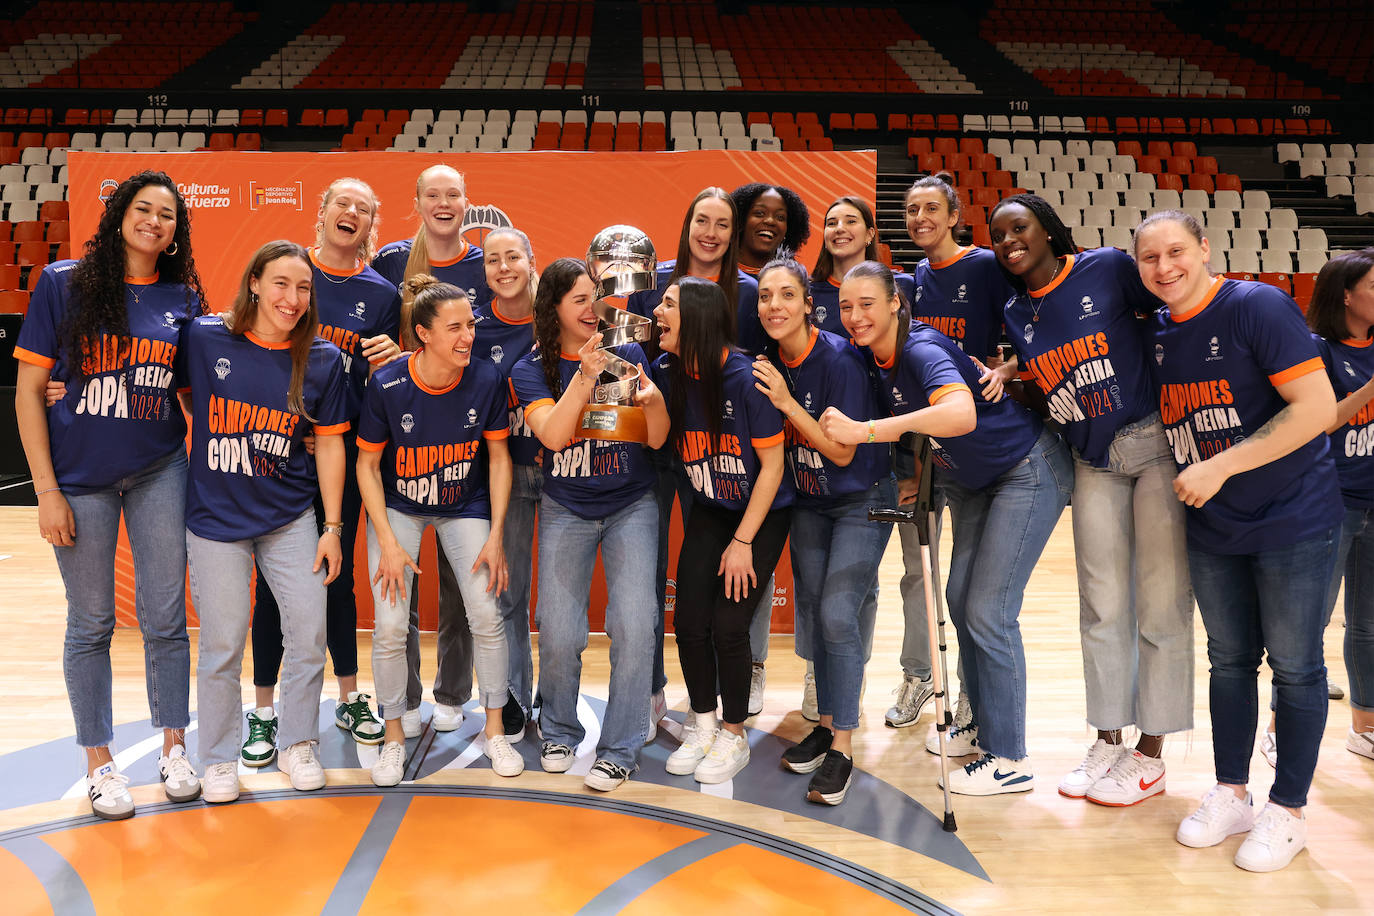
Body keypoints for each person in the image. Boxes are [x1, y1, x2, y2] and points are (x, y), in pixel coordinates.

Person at [1135, 211, 1342, 872]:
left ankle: (1289, 809)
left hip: (1293, 518)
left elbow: (1316, 408)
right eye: (1149, 259)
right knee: (1228, 660)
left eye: (1176, 252)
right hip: (1215, 525)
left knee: (1296, 665)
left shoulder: (1257, 305)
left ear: (1204, 248)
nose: (1164, 268)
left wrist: (1222, 465)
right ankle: (1231, 793)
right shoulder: (1161, 330)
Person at [820, 261, 1073, 796]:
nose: (855, 316)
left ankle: (1010, 758)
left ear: (895, 302)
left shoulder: (919, 348)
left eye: (867, 303)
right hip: (976, 480)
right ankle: (981, 724)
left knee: (989, 610)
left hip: (1026, 471)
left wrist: (868, 431)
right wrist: (912, 474)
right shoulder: (874, 356)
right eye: (845, 305)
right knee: (961, 599)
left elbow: (960, 416)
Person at [988, 193, 1193, 807]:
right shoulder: (1014, 310)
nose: (1009, 242)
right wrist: (1012, 380)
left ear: (1048, 229)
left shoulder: (1105, 267)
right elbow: (1054, 381)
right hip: (1091, 459)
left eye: (1018, 228)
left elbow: (1168, 319)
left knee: (1160, 604)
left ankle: (1150, 753)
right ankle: (1108, 738)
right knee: (1101, 604)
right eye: (998, 236)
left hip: (1153, 443)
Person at [14, 170, 206, 819]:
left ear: (178, 231)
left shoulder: (182, 295)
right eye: (145, 209)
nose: (156, 221)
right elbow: (27, 390)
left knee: (165, 619)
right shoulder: (63, 283)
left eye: (169, 215)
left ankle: (174, 747)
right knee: (92, 623)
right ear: (120, 213)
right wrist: (45, 491)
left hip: (159, 466)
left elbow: (189, 387)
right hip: (79, 479)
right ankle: (99, 761)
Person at [182, 240, 350, 804]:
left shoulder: (322, 359)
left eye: (303, 288)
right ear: (254, 282)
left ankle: (298, 742)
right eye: (281, 283)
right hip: (215, 520)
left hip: (288, 517)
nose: (293, 298)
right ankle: (219, 759)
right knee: (223, 644)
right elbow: (179, 393)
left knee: (309, 631)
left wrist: (331, 528)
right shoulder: (206, 338)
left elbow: (329, 448)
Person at [244, 178, 403, 767]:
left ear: (371, 226)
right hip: (278, 455)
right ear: (323, 212)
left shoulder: (382, 294)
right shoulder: (287, 270)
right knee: (272, 586)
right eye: (344, 204)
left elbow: (382, 381)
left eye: (364, 208)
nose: (353, 214)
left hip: (344, 454)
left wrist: (396, 356)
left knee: (337, 574)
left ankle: (347, 694)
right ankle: (263, 711)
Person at [357, 274, 523, 786]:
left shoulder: (485, 380)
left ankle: (494, 729)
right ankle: (392, 738)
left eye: (470, 325)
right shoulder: (387, 383)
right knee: (388, 624)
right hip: (400, 506)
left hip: (465, 505)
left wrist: (495, 533)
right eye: (454, 328)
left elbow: (498, 457)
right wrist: (385, 538)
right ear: (423, 334)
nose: (468, 337)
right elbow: (366, 466)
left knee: (486, 614)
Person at [511, 258, 669, 791]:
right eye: (579, 299)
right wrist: (583, 373)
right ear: (553, 308)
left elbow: (655, 437)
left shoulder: (627, 354)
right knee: (558, 627)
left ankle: (620, 749)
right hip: (566, 506)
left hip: (631, 503)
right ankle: (557, 729)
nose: (591, 309)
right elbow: (553, 437)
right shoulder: (530, 368)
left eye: (594, 298)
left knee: (633, 621)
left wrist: (653, 402)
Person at [750, 257, 893, 804]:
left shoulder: (838, 360)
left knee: (837, 612)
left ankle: (844, 748)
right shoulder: (767, 360)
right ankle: (829, 723)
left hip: (860, 497)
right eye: (765, 296)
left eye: (787, 295)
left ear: (810, 304)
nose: (774, 306)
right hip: (810, 499)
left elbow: (840, 448)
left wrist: (787, 404)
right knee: (813, 613)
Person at [626, 188, 769, 730]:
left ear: (734, 235)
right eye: (701, 221)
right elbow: (641, 350)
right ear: (686, 225)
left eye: (723, 224)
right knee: (656, 570)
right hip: (661, 443)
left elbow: (752, 368)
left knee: (731, 570)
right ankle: (655, 687)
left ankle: (742, 671)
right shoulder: (654, 279)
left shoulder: (748, 291)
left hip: (720, 455)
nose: (710, 233)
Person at [653, 277, 791, 785]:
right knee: (689, 621)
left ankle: (734, 734)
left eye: (669, 305)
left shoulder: (746, 377)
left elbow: (773, 467)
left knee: (730, 626)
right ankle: (704, 724)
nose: (658, 312)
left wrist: (743, 543)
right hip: (712, 505)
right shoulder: (669, 370)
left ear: (699, 320)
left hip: (761, 512)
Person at [883, 174, 1008, 731]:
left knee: (968, 581)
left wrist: (1007, 368)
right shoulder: (911, 282)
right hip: (923, 446)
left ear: (956, 214)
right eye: (911, 210)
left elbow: (1031, 323)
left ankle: (972, 696)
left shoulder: (983, 267)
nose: (920, 218)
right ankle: (921, 676)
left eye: (932, 208)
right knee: (918, 570)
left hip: (979, 442)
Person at [373, 164, 492, 736]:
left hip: (465, 437)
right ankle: (407, 701)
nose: (443, 203)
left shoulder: (484, 263)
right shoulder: (393, 262)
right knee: (398, 594)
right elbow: (372, 333)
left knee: (461, 588)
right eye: (432, 194)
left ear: (467, 202)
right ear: (416, 201)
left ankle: (452, 691)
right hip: (404, 437)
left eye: (453, 194)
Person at [1253, 249, 1374, 768]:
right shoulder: (1316, 350)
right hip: (1328, 502)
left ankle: (1364, 727)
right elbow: (1321, 421)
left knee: (1369, 625)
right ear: (1346, 295)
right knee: (1307, 624)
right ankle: (1280, 729)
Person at [474, 226, 541, 741]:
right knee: (509, 594)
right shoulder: (474, 331)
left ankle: (557, 698)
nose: (503, 267)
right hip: (507, 473)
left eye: (512, 256)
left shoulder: (563, 317)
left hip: (568, 468)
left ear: (530, 260)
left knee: (563, 605)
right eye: (493, 259)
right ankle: (514, 696)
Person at [808, 196, 914, 339]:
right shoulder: (808, 292)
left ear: (869, 235)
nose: (839, 228)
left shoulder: (903, 285)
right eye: (832, 223)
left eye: (851, 221)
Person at [729, 182, 811, 277]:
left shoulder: (795, 281)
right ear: (741, 220)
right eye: (759, 213)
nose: (770, 221)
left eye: (780, 217)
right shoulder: (715, 270)